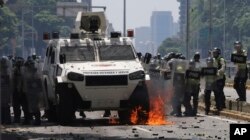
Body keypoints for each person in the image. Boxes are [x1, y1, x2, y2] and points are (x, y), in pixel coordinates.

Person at [1, 56, 12, 124]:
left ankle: (7, 120)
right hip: (3, 90)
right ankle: (4, 120)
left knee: (5, 106)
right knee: (3, 106)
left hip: (6, 89)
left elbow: (10, 80)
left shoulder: (8, 70)